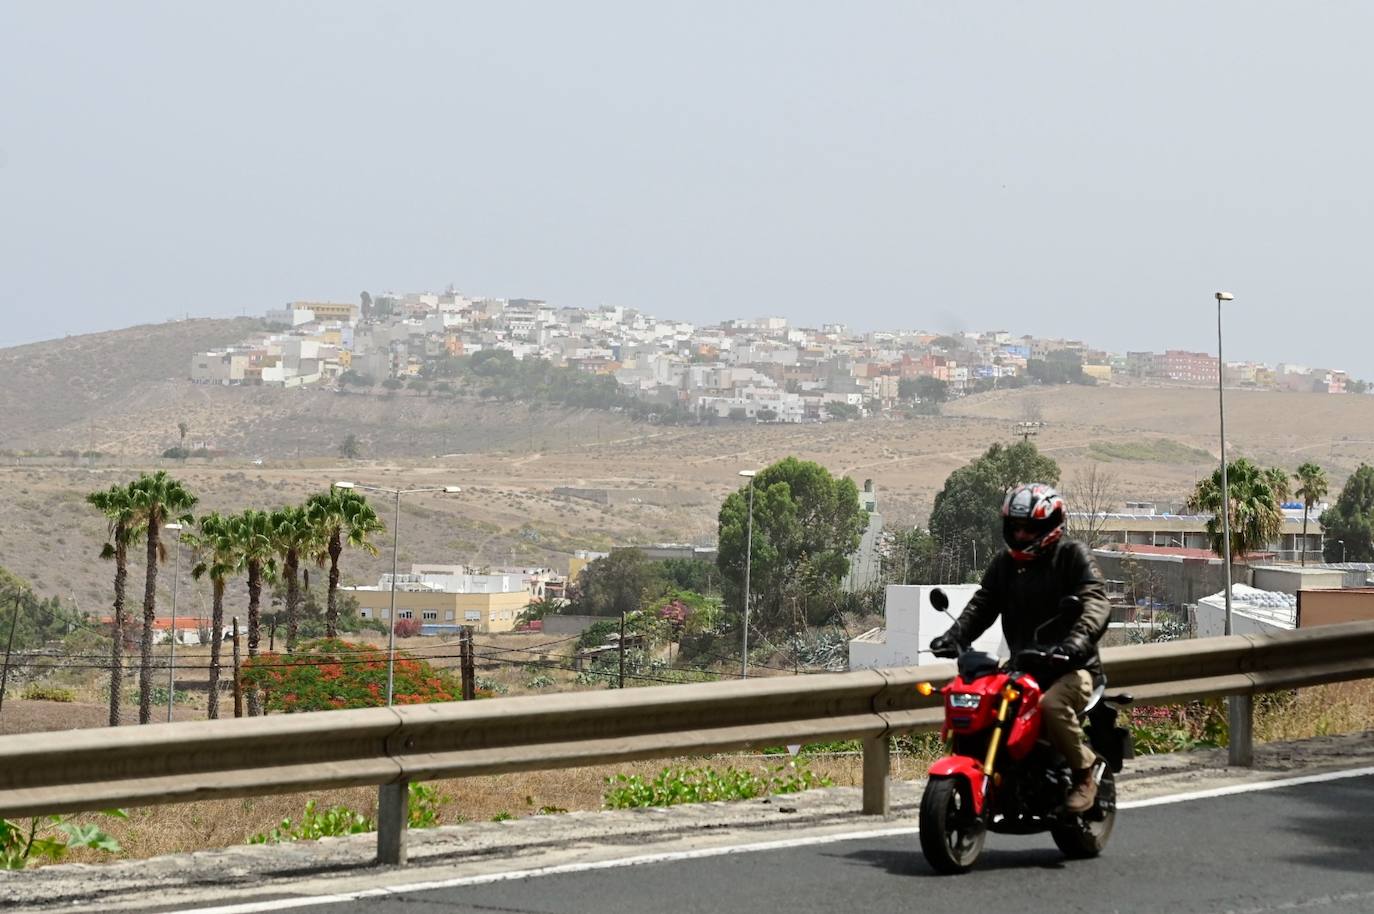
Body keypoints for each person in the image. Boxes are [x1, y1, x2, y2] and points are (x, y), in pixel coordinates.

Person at [929, 482, 1111, 814]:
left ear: (1050, 526)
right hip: (1024, 666)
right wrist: (954, 636)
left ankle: (1084, 774)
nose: (1021, 534)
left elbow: (1095, 603)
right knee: (982, 697)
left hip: (1072, 667)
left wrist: (1076, 641)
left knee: (1051, 705)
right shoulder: (1005, 564)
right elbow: (983, 604)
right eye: (1015, 527)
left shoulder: (1072, 556)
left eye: (1029, 528)